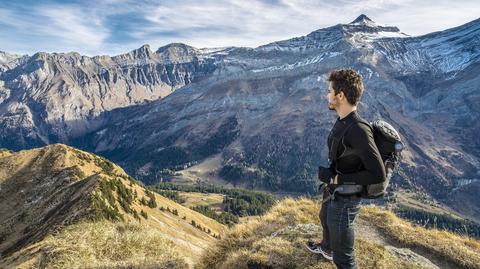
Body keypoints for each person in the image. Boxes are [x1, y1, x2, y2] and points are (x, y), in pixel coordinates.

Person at [306, 69, 386, 269]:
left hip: (346, 199)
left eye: (329, 90)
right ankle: (327, 247)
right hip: (336, 190)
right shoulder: (343, 120)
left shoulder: (358, 129)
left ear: (340, 95)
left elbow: (378, 174)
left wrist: (339, 180)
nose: (327, 95)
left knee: (345, 259)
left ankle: (337, 254)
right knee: (324, 217)